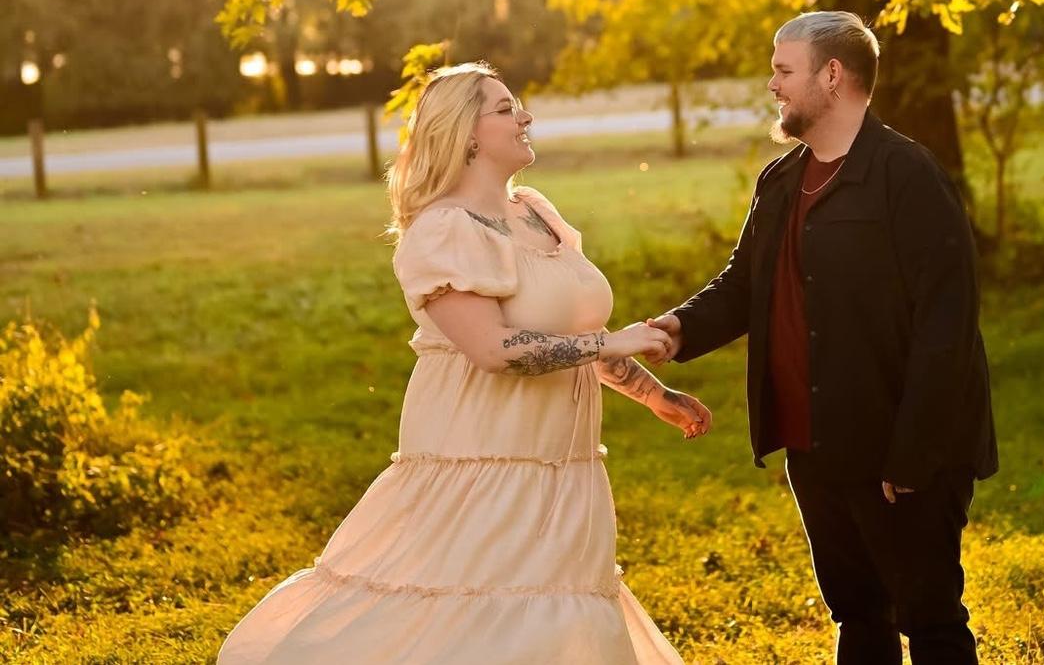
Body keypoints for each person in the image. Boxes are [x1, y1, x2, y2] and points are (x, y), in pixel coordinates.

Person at [218, 60, 709, 665]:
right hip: (479, 458)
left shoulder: (536, 212)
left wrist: (653, 394)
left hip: (564, 463)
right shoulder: (443, 230)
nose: (525, 116)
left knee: (551, 614)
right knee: (464, 611)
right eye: (505, 109)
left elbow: (574, 335)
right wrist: (615, 344)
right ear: (465, 134)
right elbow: (494, 350)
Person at [647, 12, 997, 665]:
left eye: (784, 70)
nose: (772, 85)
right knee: (857, 613)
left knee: (929, 619)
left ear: (832, 75)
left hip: (900, 450)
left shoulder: (907, 175)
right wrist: (680, 327)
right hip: (813, 444)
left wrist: (913, 455)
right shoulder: (781, 180)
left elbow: (946, 325)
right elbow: (746, 283)